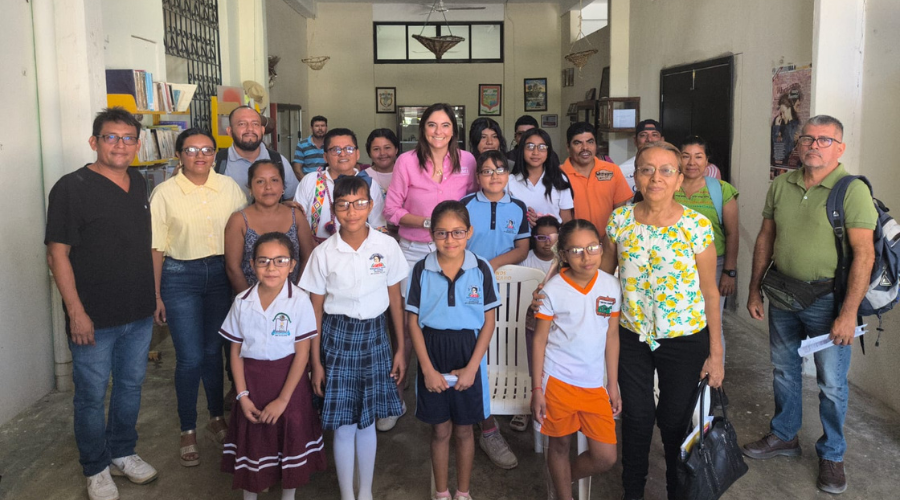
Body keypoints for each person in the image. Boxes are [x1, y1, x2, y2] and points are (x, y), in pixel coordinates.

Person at [743, 115, 876, 495]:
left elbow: (864, 255)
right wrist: (754, 290)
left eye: (824, 140)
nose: (814, 145)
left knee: (832, 384)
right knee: (783, 370)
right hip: (783, 295)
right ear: (797, 144)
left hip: (827, 302)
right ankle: (785, 435)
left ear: (840, 147)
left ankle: (832, 453)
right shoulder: (781, 184)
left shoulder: (851, 190)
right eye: (808, 139)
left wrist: (848, 313)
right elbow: (767, 237)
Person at [45, 107, 159, 500]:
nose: (120, 145)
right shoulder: (70, 188)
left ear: (138, 145)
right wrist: (76, 311)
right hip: (93, 317)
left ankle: (122, 451)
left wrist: (154, 298)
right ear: (94, 142)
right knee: (92, 394)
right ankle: (95, 466)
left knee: (130, 386)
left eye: (128, 139)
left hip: (138, 312)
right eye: (111, 137)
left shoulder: (140, 183)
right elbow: (57, 254)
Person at [604, 141, 723, 500]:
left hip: (685, 340)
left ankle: (678, 491)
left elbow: (711, 292)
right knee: (637, 420)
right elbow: (605, 283)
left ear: (678, 177)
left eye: (666, 170)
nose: (656, 177)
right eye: (646, 169)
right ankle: (633, 492)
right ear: (636, 176)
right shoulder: (619, 220)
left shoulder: (696, 226)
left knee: (674, 423)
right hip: (632, 337)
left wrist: (716, 354)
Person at [299, 176, 408, 500]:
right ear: (334, 210)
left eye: (359, 203)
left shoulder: (386, 246)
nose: (352, 211)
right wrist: (315, 362)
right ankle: (348, 494)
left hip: (375, 337)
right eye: (344, 205)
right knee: (345, 424)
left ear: (371, 206)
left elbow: (395, 302)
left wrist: (401, 348)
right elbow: (315, 311)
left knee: (368, 422)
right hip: (337, 337)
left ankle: (366, 492)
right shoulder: (324, 253)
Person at [150, 128, 248, 468]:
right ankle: (187, 427)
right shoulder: (164, 193)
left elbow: (242, 231)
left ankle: (215, 417)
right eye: (192, 150)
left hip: (222, 274)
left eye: (207, 150)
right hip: (180, 277)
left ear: (215, 155)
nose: (200, 156)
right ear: (179, 155)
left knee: (212, 351)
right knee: (189, 357)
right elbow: (157, 247)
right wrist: (157, 293)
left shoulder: (229, 187)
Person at [381, 103, 478, 433]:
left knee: (450, 319)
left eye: (446, 125)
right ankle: (397, 393)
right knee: (409, 325)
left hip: (454, 251)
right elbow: (392, 209)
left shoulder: (467, 161)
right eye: (433, 125)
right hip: (414, 251)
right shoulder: (406, 162)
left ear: (454, 129)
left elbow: (474, 203)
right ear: (422, 129)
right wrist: (429, 222)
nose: (439, 131)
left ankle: (450, 384)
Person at [219, 232, 327, 499]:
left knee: (290, 445)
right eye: (263, 261)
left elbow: (302, 354)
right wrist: (242, 396)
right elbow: (236, 353)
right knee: (253, 445)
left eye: (280, 261)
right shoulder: (242, 301)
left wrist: (283, 400)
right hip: (252, 384)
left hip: (289, 385)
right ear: (252, 264)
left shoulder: (300, 300)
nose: (271, 268)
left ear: (292, 265)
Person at [406, 201, 501, 500]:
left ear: (469, 232)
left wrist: (473, 367)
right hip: (431, 350)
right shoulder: (421, 269)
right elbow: (412, 322)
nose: (450, 240)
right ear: (431, 235)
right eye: (442, 233)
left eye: (458, 232)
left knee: (464, 430)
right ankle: (441, 492)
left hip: (468, 351)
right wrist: (427, 369)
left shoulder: (482, 268)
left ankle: (463, 492)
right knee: (440, 431)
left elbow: (488, 322)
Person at [532, 219, 621, 500]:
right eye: (576, 250)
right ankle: (563, 495)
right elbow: (539, 341)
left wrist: (613, 383)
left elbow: (612, 337)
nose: (587, 256)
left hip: (594, 383)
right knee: (558, 446)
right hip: (557, 381)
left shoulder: (611, 286)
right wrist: (537, 390)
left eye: (593, 247)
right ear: (563, 255)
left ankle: (560, 481)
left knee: (605, 456)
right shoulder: (553, 290)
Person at [675, 136, 740, 355]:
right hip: (674, 266)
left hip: (714, 266)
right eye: (686, 156)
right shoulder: (668, 187)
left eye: (698, 156)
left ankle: (711, 382)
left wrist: (729, 272)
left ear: (707, 161)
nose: (692, 162)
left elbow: (732, 233)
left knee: (711, 323)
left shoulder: (722, 190)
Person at [224, 159, 315, 293]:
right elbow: (233, 267)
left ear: (283, 186)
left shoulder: (296, 216)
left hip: (292, 299)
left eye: (274, 180)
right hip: (251, 301)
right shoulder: (239, 220)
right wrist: (250, 300)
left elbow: (308, 256)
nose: (268, 187)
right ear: (250, 188)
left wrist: (297, 294)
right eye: (260, 181)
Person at [294, 128, 388, 243]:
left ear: (357, 154)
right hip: (315, 250)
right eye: (335, 150)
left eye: (349, 149)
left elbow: (378, 226)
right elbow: (297, 222)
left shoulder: (368, 184)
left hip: (358, 253)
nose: (343, 154)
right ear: (325, 156)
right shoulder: (310, 180)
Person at [461, 150, 530, 270]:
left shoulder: (518, 207)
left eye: (500, 171)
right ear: (478, 177)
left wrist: (494, 264)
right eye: (487, 172)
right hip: (470, 272)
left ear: (508, 175)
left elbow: (522, 250)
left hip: (506, 276)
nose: (494, 176)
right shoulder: (465, 205)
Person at [561, 122, 632, 238]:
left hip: (608, 242)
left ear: (596, 145)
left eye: (590, 142)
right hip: (573, 243)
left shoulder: (612, 170)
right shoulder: (559, 174)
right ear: (568, 147)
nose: (585, 148)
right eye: (578, 143)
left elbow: (621, 211)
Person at [217, 106, 298, 200]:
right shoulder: (217, 163)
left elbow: (291, 199)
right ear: (230, 131)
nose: (250, 129)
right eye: (242, 124)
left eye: (255, 124)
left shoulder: (278, 161)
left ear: (262, 130)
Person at [508, 128, 574, 225]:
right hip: (519, 238)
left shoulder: (558, 178)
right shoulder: (509, 181)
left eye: (542, 147)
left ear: (548, 151)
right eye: (530, 146)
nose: (535, 152)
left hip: (553, 238)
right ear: (522, 149)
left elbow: (567, 220)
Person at [364, 128, 401, 240]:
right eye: (376, 149)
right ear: (369, 153)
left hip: (406, 239)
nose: (383, 153)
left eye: (387, 148)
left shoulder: (407, 174)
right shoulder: (363, 178)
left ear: (396, 150)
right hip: (373, 239)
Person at [618, 119, 664, 194]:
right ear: (635, 140)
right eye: (643, 135)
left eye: (654, 135)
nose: (649, 139)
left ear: (662, 140)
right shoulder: (621, 171)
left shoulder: (671, 168)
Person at [292, 115, 328, 179]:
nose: (320, 128)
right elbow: (297, 169)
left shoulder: (330, 145)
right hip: (308, 180)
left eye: (322, 126)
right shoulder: (302, 145)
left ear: (326, 127)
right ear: (311, 128)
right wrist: (306, 183)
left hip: (327, 182)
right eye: (317, 126)